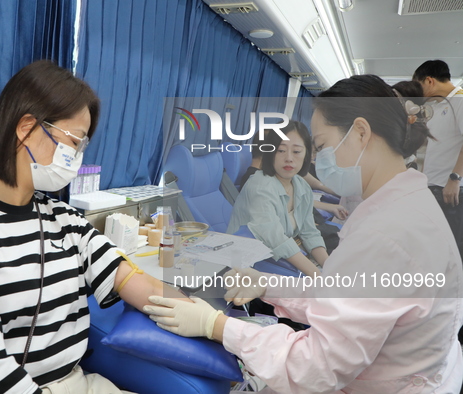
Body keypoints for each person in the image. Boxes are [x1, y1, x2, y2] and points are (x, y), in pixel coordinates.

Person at [146, 75, 463, 393]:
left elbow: (316, 366)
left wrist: (215, 326)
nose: (315, 160)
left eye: (321, 147)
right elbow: (349, 295)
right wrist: (268, 285)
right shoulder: (406, 205)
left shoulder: (387, 234)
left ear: (361, 133)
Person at [0, 60, 185, 393]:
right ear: (26, 128)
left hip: (73, 383)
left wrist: (220, 327)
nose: (77, 157)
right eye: (73, 142)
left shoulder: (64, 219)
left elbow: (136, 282)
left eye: (82, 146)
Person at [227, 120, 328, 277]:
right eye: (281, 151)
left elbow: (309, 233)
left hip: (277, 258)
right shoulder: (260, 185)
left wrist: (331, 270)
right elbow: (276, 240)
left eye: (296, 151)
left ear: (306, 154)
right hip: (248, 263)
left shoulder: (301, 186)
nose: (288, 158)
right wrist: (320, 277)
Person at [413, 60, 463, 260]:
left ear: (429, 81)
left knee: (451, 249)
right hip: (434, 186)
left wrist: (455, 178)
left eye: (418, 86)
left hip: (450, 189)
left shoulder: (459, 101)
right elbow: (433, 148)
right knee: (435, 247)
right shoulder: (438, 106)